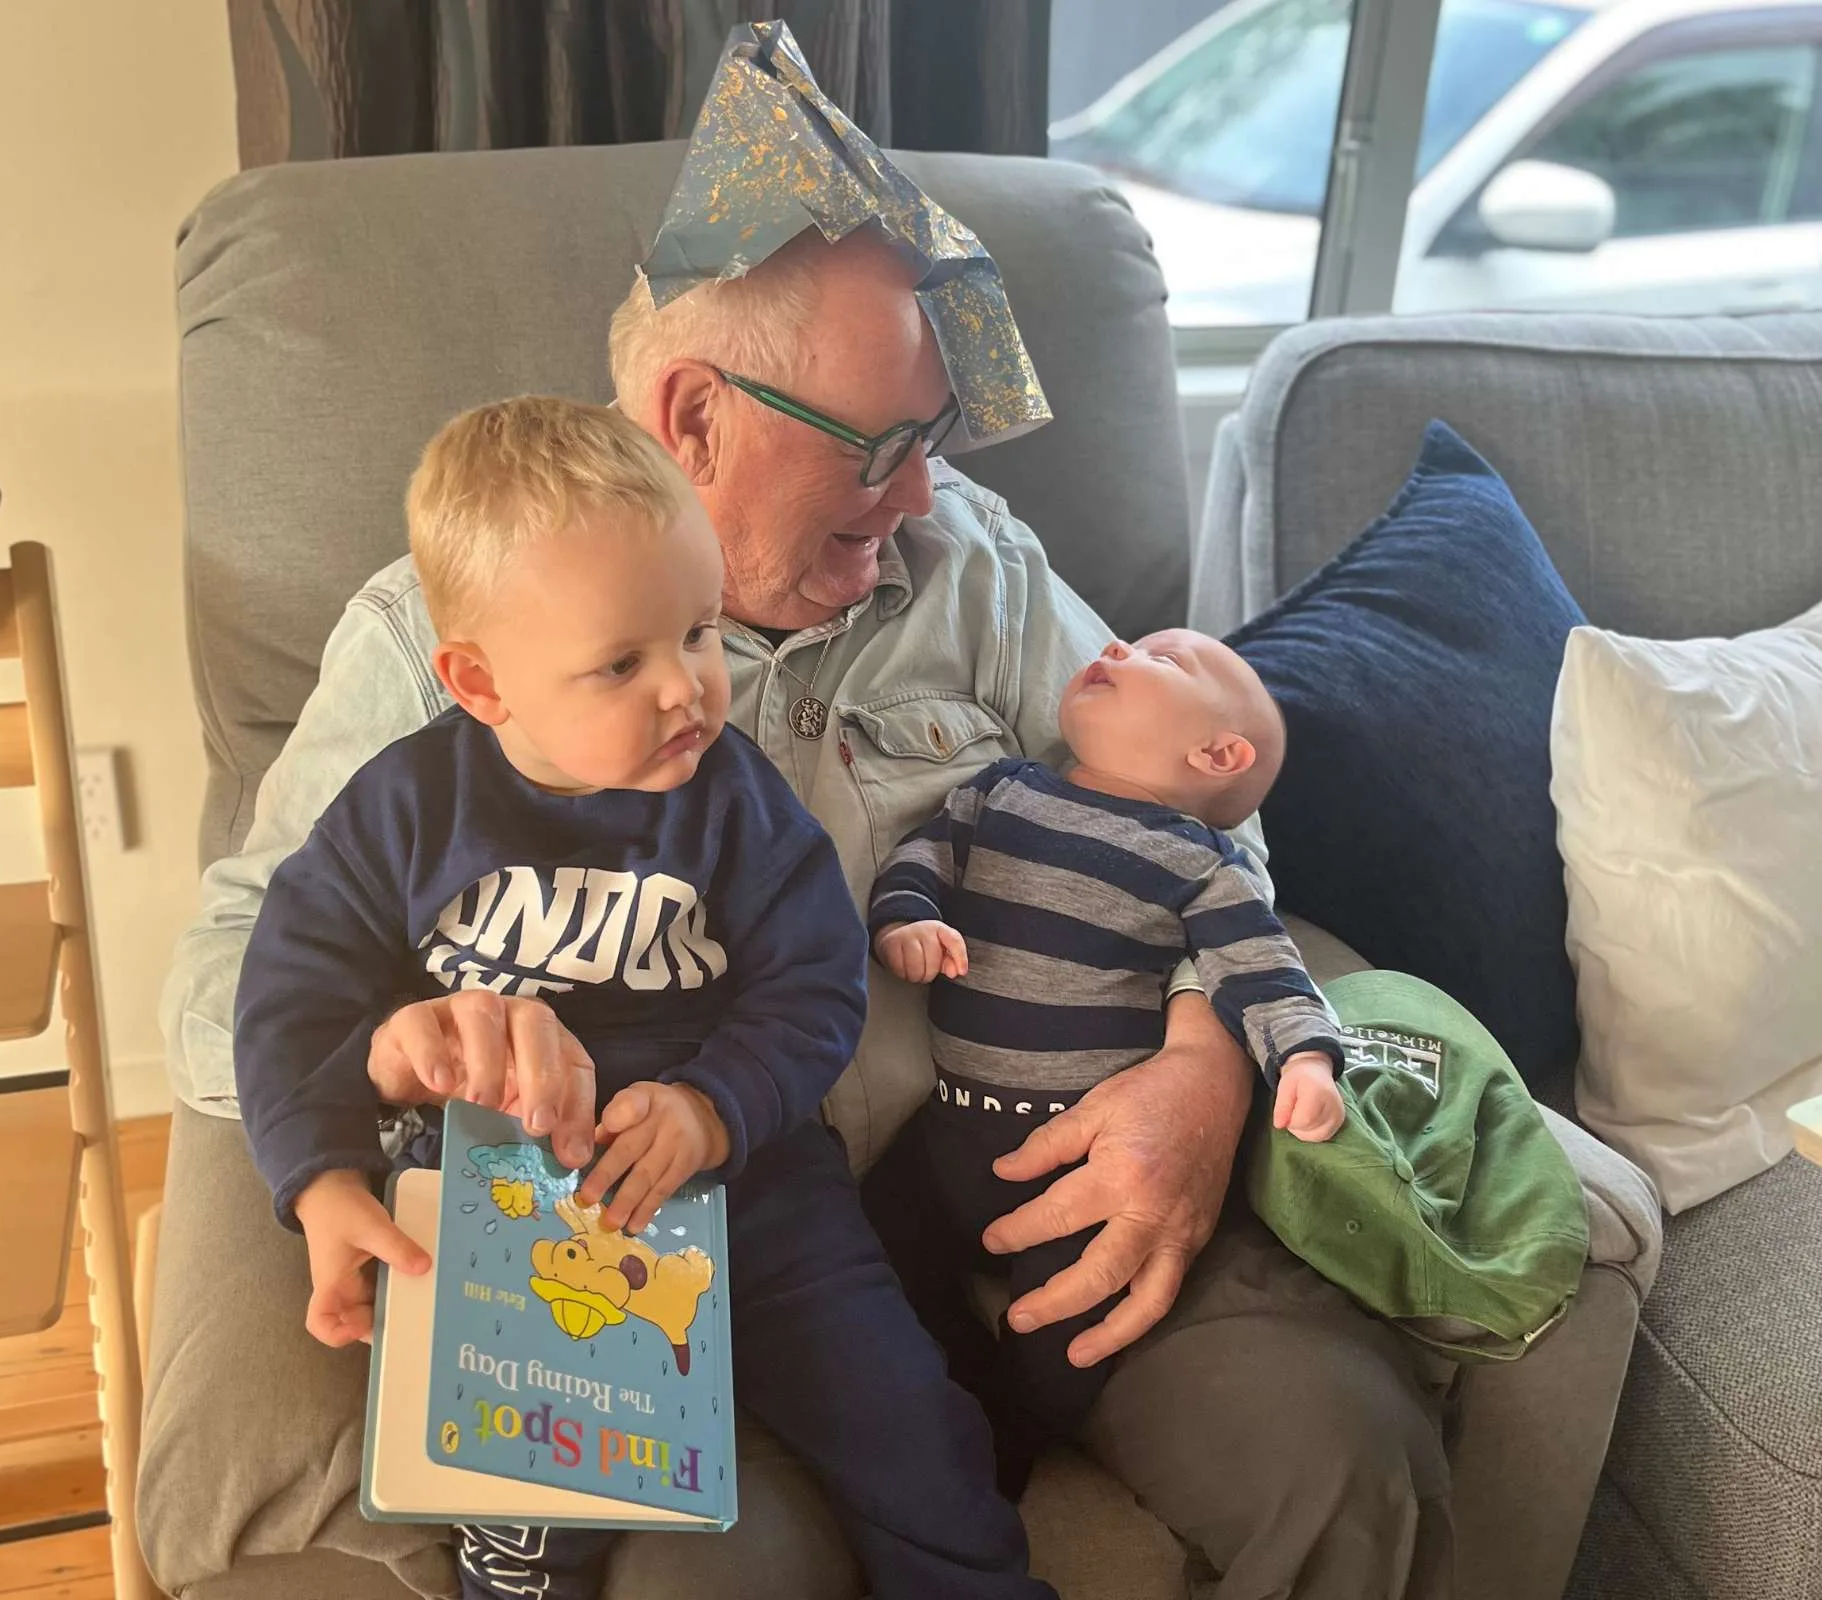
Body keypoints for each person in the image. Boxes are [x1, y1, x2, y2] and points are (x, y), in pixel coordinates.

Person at [160, 23, 1453, 1597]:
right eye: (887, 443)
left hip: (1030, 1182)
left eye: (940, 439)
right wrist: (406, 1042)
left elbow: (1211, 813)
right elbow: (225, 980)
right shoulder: (446, 646)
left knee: (1334, 1445)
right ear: (694, 414)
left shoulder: (970, 563)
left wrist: (1202, 1072)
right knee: (737, 1573)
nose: (924, 491)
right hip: (688, 1225)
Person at [231, 396, 1057, 1600]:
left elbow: (815, 979)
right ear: (480, 682)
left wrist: (714, 1105)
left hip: (753, 1200)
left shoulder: (731, 800)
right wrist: (318, 1177)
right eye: (621, 663)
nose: (685, 690)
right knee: (524, 1513)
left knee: (913, 1430)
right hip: (502, 1207)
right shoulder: (403, 809)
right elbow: (290, 991)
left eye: (700, 632)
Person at [866, 628, 1346, 1487]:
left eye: (1160, 659)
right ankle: (957, 1374)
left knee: (1074, 1324)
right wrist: (907, 916)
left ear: (1217, 751)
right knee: (878, 1240)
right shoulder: (1002, 789)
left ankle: (1016, 1440)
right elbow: (927, 851)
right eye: (1129, 642)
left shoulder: (1203, 865)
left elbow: (1263, 968)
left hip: (1083, 1154)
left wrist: (1305, 1059)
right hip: (947, 1124)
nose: (1118, 645)